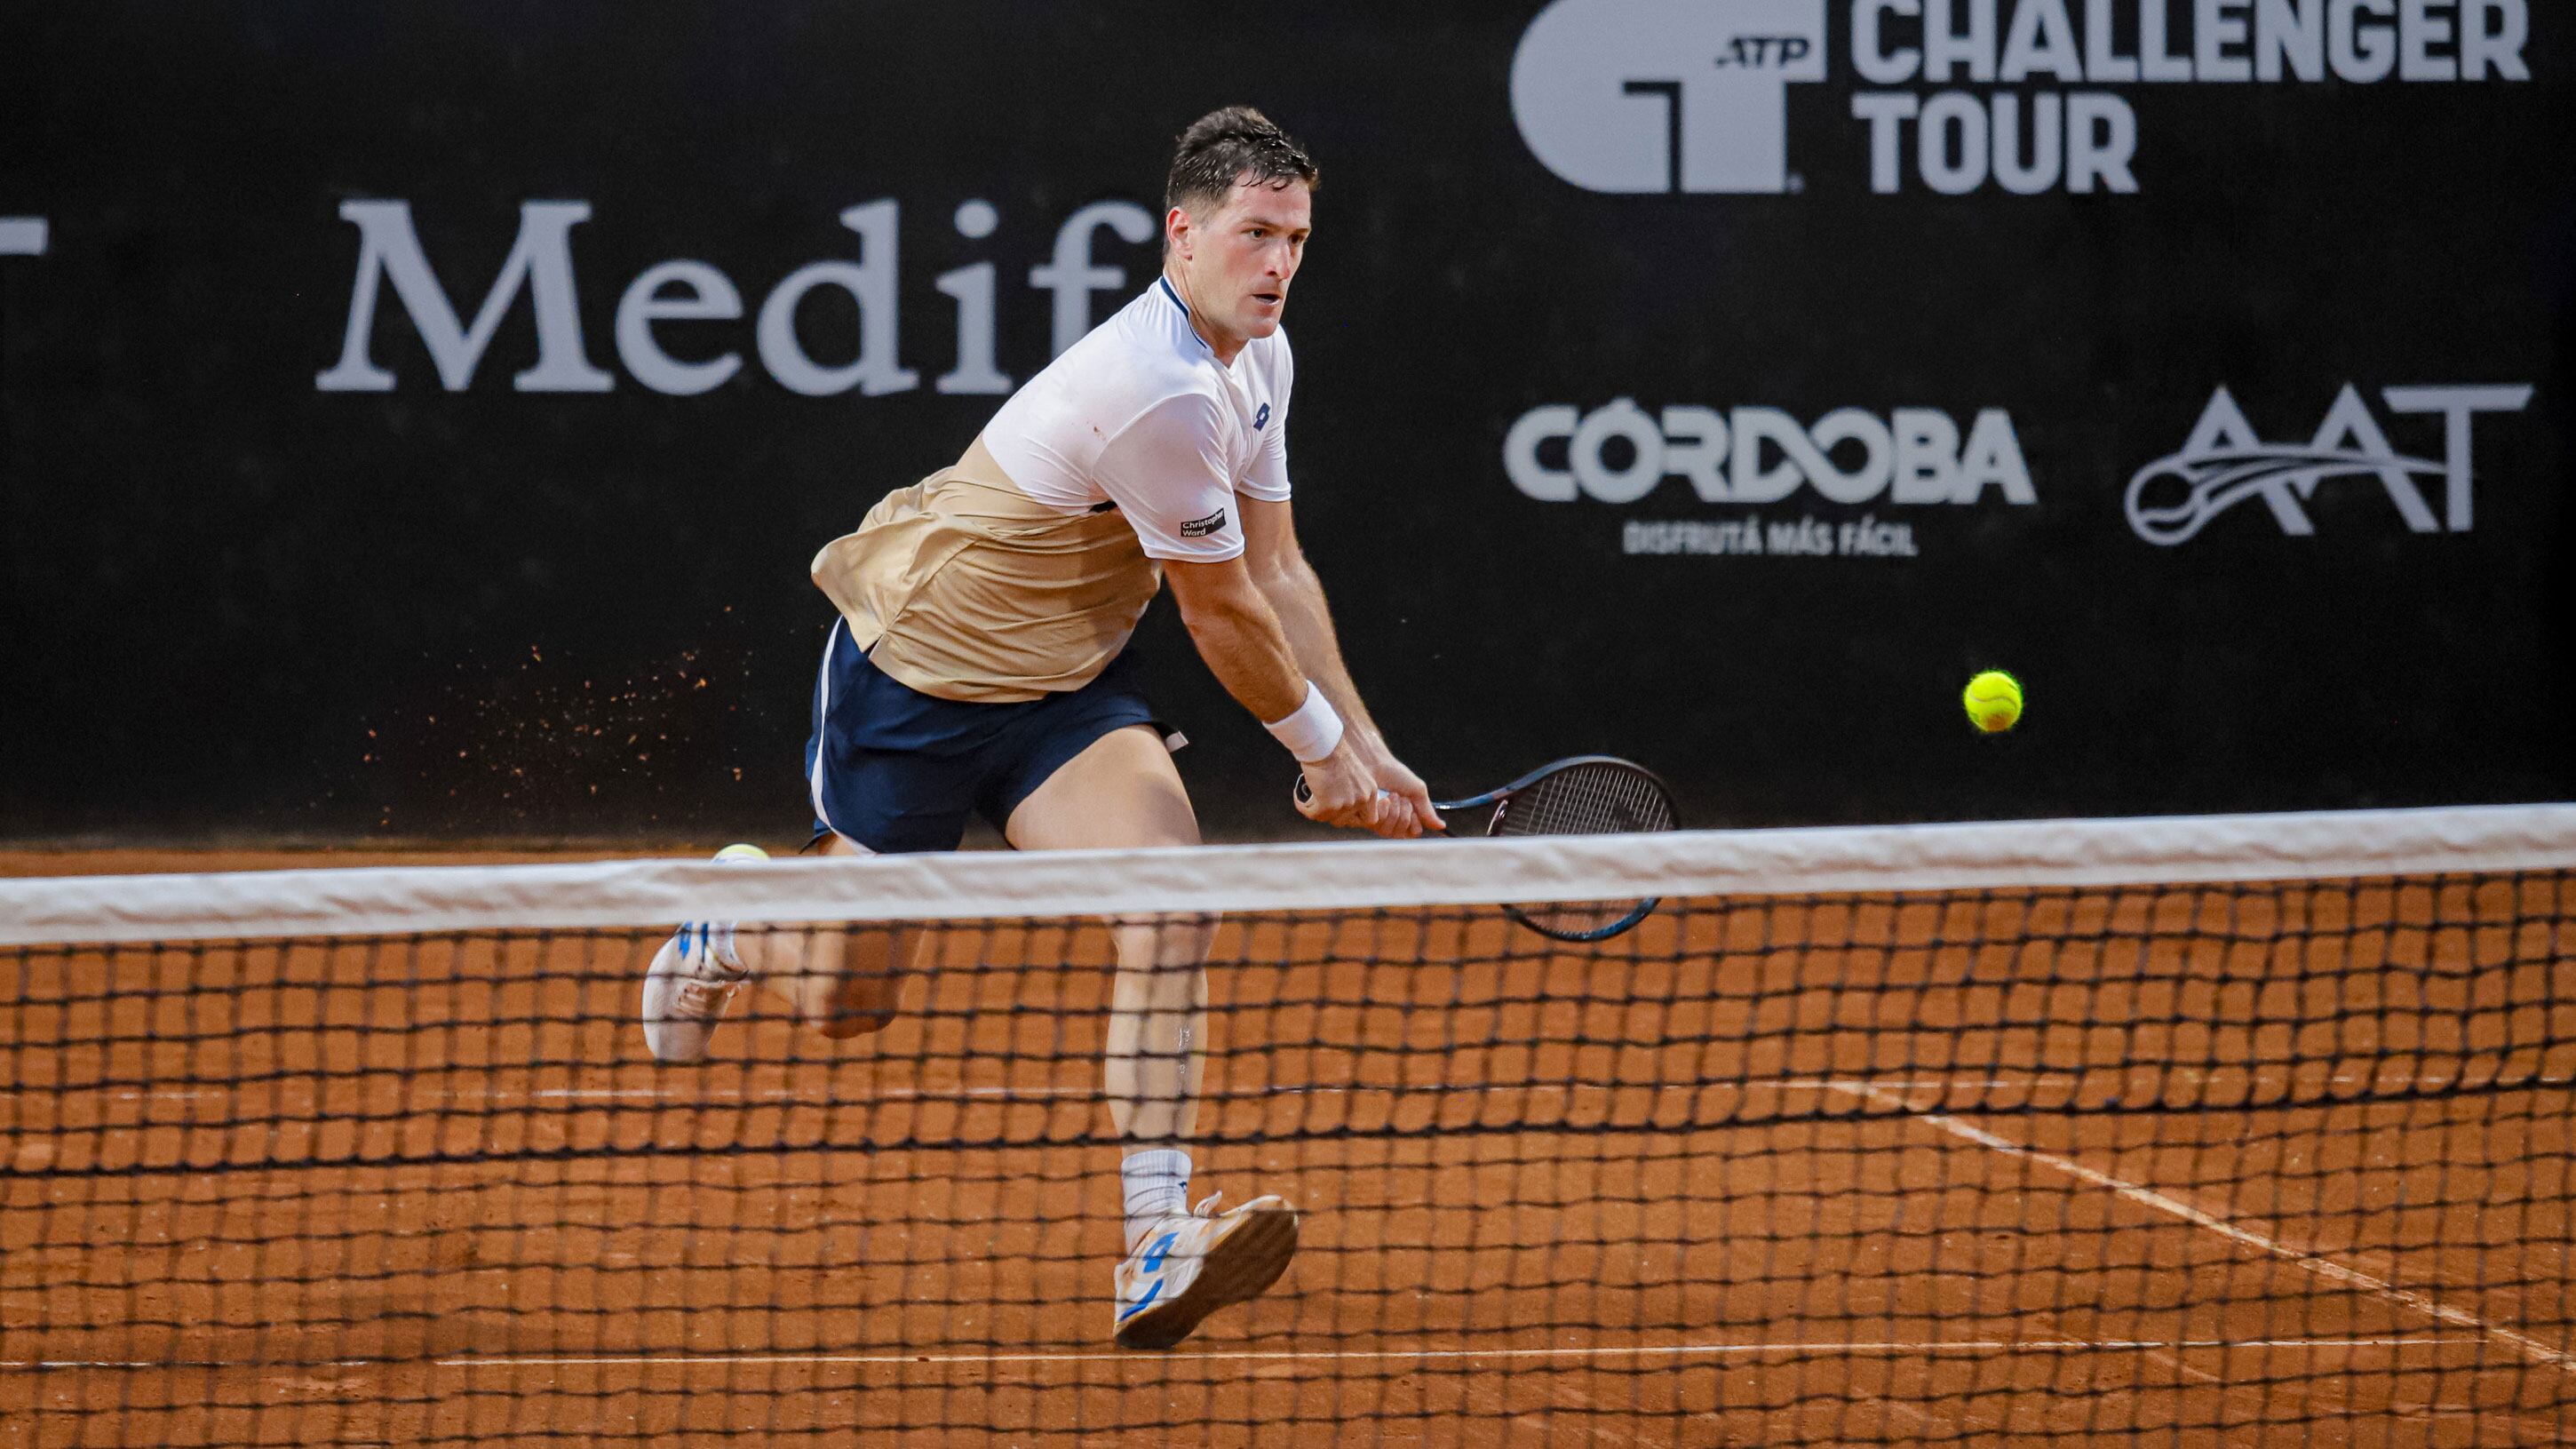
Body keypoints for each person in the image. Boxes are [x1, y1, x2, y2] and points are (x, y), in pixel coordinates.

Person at [640, 106, 1440, 1351]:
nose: (1277, 263)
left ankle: (1154, 1244)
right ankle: (734, 924)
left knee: (1170, 903)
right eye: (1252, 234)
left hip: (1061, 692)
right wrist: (1315, 754)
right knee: (849, 1006)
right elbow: (1220, 610)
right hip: (915, 682)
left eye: (1294, 237)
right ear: (1183, 235)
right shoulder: (1158, 390)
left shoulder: (1260, 361)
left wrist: (1365, 745)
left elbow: (1278, 570)